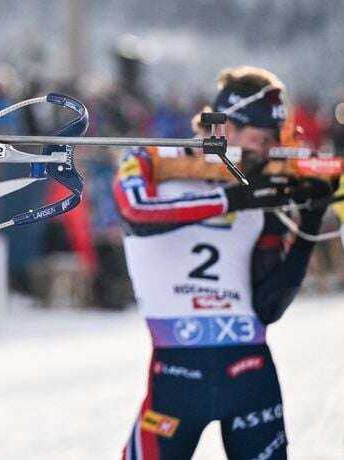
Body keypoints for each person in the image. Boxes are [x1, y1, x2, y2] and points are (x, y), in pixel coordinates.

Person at [114, 66, 332, 459]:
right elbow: (136, 212)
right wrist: (232, 201)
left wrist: (308, 224)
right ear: (226, 127)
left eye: (274, 141)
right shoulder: (150, 158)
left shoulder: (260, 183)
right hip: (177, 375)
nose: (267, 151)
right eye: (261, 138)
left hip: (249, 372)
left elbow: (268, 305)